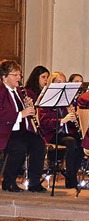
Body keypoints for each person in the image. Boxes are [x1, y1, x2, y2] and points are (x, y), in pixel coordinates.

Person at [0, 59, 46, 193]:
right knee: (19, 147)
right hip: (6, 132)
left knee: (39, 144)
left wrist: (29, 107)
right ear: (4, 77)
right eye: (15, 75)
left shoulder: (20, 92)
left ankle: (34, 182)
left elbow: (27, 113)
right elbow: (2, 115)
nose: (19, 78)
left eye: (19, 75)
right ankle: (8, 182)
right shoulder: (1, 92)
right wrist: (21, 113)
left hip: (21, 131)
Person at [38, 71, 83, 189]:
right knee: (71, 142)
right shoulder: (46, 99)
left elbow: (71, 126)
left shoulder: (66, 99)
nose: (62, 85)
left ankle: (72, 172)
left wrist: (73, 116)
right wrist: (62, 120)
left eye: (64, 82)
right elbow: (45, 123)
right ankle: (70, 177)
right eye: (59, 82)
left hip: (65, 133)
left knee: (83, 142)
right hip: (52, 134)